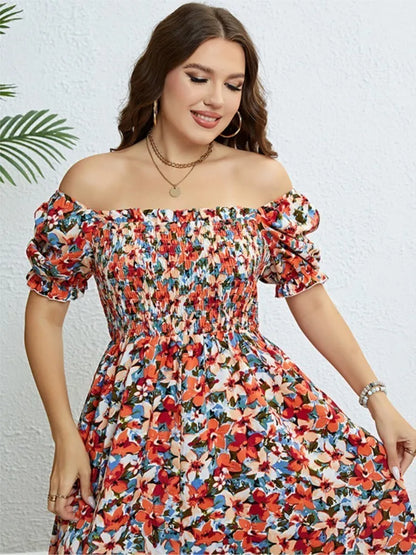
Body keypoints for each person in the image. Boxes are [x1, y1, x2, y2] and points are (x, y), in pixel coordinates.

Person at [24, 2, 416, 554]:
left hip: (250, 417)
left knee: (368, 508)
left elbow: (309, 297)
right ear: (158, 75)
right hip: (137, 423)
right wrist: (65, 436)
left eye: (233, 85)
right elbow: (44, 313)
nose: (216, 98)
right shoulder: (93, 183)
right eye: (198, 77)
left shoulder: (259, 179)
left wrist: (378, 401)